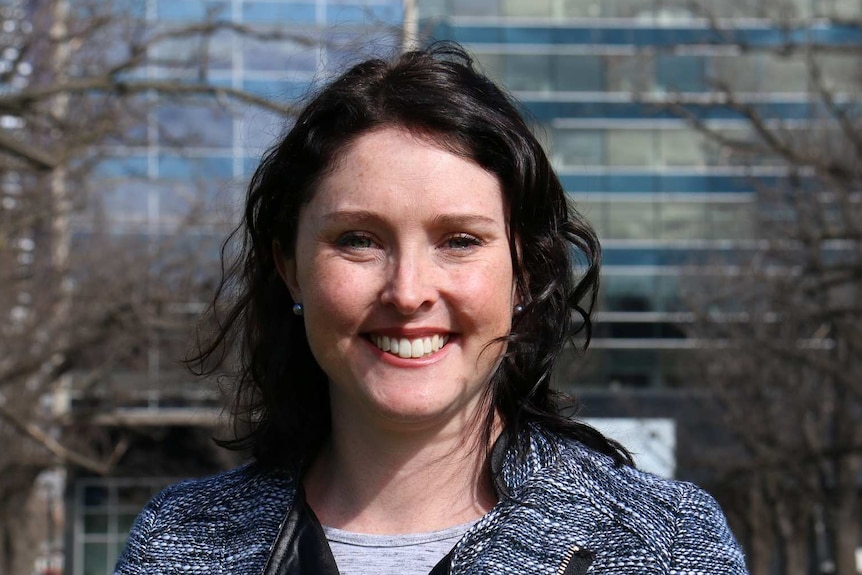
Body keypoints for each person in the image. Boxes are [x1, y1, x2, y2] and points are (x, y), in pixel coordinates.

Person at [115, 43, 748, 575]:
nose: (409, 290)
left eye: (460, 241)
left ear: (524, 271)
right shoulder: (177, 545)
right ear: (290, 267)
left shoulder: (660, 547)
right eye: (358, 240)